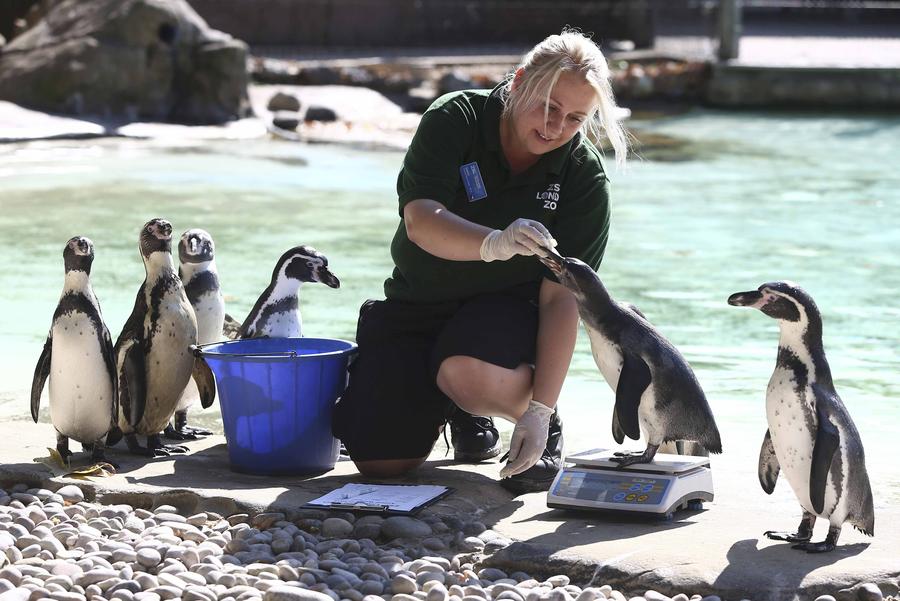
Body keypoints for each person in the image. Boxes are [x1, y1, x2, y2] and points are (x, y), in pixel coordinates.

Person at [332, 29, 628, 494]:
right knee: (379, 462)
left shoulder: (583, 176)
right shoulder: (457, 117)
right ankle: (454, 409)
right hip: (419, 303)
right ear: (520, 82)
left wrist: (540, 411)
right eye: (548, 107)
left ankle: (515, 414)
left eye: (574, 118)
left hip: (507, 315)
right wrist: (494, 242)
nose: (555, 128)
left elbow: (560, 300)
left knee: (467, 374)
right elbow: (420, 222)